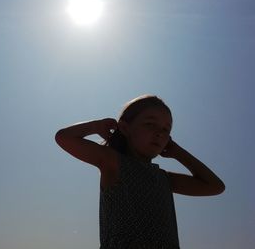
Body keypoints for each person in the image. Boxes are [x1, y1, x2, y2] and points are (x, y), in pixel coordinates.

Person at [55, 94, 225, 249]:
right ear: (126, 128)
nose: (159, 133)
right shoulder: (114, 162)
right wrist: (96, 126)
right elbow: (64, 137)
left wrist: (178, 152)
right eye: (150, 124)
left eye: (166, 129)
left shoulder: (164, 179)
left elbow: (215, 186)